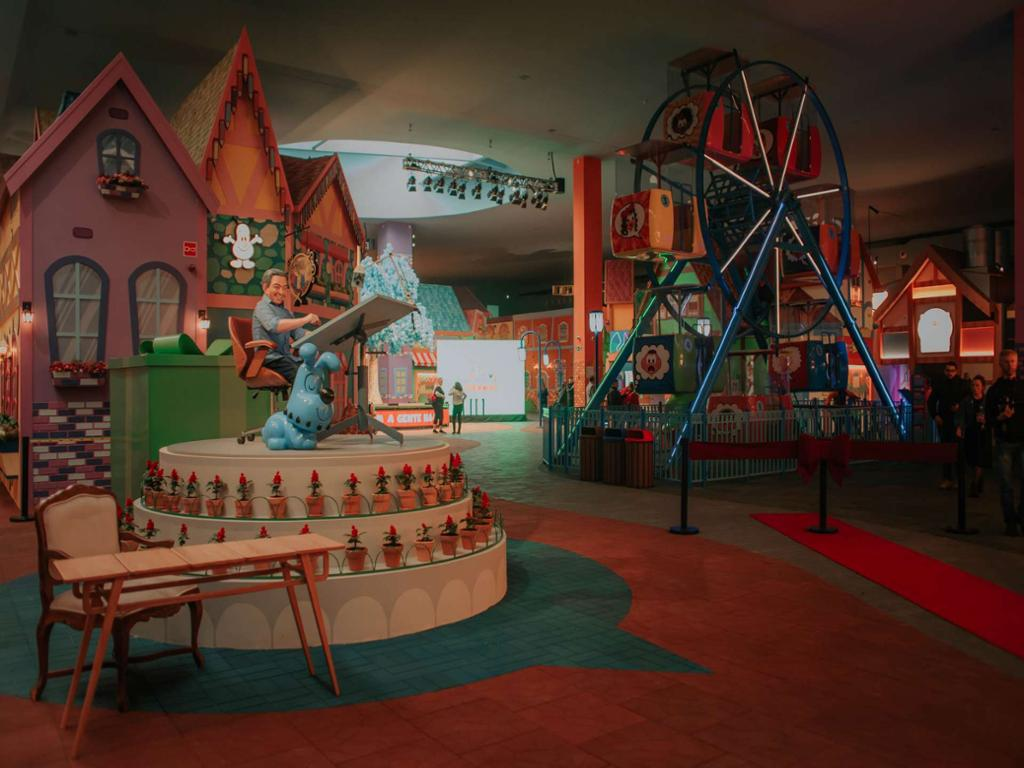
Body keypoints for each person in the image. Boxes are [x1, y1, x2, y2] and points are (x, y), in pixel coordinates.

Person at [252, 268, 320, 383]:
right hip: (270, 359)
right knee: (301, 376)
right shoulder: (262, 307)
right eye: (277, 287)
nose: (282, 292)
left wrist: (319, 335)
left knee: (310, 371)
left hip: (286, 358)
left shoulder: (286, 312)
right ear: (265, 287)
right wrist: (306, 319)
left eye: (284, 288)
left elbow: (299, 333)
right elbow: (275, 326)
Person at [986, 349, 1024, 535]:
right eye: (1007, 361)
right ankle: (1010, 522)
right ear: (1001, 364)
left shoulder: (1022, 386)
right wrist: (1000, 417)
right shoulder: (995, 390)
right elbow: (988, 418)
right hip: (1004, 441)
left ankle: (1021, 517)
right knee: (1006, 484)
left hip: (1023, 440)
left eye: (1013, 361)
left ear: (1018, 363)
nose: (1010, 365)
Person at [927, 360, 969, 489]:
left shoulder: (962, 384)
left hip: (957, 421)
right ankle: (947, 478)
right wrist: (935, 415)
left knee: (958, 451)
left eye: (952, 371)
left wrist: (959, 407)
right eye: (948, 370)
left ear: (956, 371)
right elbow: (931, 401)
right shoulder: (940, 384)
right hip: (944, 421)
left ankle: (957, 479)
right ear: (945, 371)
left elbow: (968, 400)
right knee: (946, 450)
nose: (950, 373)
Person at [961, 375, 991, 498]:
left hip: (983, 433)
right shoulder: (966, 401)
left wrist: (987, 421)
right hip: (971, 433)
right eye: (973, 385)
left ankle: (974, 484)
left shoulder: (988, 401)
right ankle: (979, 479)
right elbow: (961, 416)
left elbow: (993, 415)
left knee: (980, 459)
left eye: (977, 385)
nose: (975, 388)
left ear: (983, 387)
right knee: (971, 460)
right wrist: (960, 427)